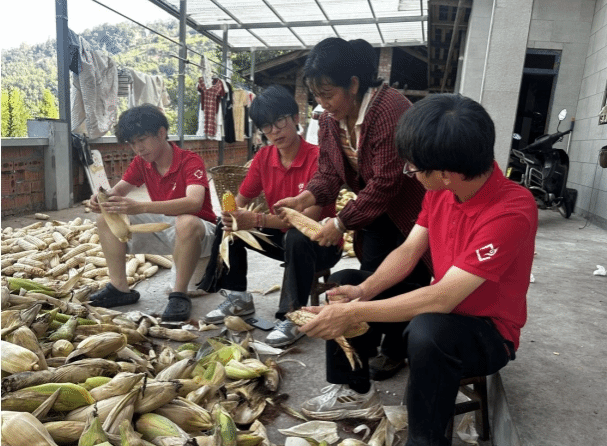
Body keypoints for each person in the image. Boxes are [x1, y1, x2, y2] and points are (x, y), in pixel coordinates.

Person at [293, 93, 538, 446]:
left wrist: (356, 312)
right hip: (441, 307)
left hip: (488, 332)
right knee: (349, 279)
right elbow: (409, 251)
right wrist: (362, 292)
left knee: (428, 331)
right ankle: (356, 391)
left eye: (413, 168)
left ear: (445, 173)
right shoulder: (441, 190)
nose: (409, 173)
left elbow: (442, 299)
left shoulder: (511, 210)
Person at [273, 37, 432, 380]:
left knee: (410, 279)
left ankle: (395, 350)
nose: (322, 103)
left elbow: (386, 182)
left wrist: (341, 223)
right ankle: (367, 345)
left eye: (328, 94)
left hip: (409, 214)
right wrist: (304, 199)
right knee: (373, 276)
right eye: (316, 95)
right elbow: (329, 172)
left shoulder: (390, 109)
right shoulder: (330, 119)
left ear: (354, 84)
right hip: (372, 213)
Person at [199, 85, 342, 346]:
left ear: (295, 118)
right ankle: (238, 297)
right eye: (266, 126)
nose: (274, 131)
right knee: (227, 225)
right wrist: (233, 216)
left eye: (279, 121)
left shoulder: (318, 158)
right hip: (282, 239)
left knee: (296, 237)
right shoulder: (264, 157)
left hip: (321, 243)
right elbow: (240, 200)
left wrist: (256, 220)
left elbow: (308, 220)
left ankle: (293, 316)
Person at [88, 104, 216, 321]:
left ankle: (179, 295)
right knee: (105, 218)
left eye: (142, 139)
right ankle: (119, 288)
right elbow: (118, 191)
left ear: (161, 133)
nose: (138, 148)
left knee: (186, 221)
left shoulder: (190, 160)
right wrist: (102, 199)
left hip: (201, 234)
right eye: (132, 143)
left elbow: (194, 203)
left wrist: (141, 207)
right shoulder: (141, 163)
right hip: (167, 229)